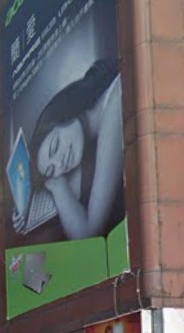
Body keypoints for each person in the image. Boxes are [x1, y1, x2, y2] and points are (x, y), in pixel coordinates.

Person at [30, 58, 124, 241]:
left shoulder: (112, 111)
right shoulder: (97, 123)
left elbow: (88, 234)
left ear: (64, 115)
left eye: (55, 146)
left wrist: (57, 186)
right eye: (52, 170)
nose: (60, 164)